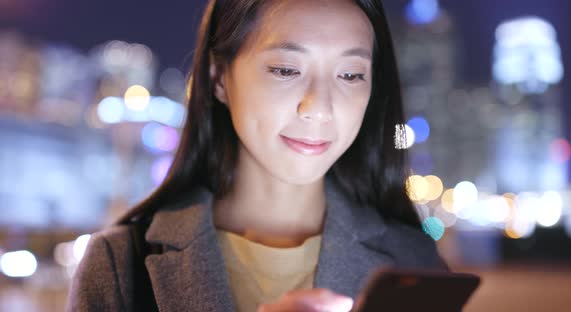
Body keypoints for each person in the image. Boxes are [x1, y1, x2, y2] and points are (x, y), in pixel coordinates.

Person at [67, 0, 449, 311]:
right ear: (219, 78)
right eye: (286, 69)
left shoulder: (412, 262)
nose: (320, 108)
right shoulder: (121, 264)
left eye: (350, 75)